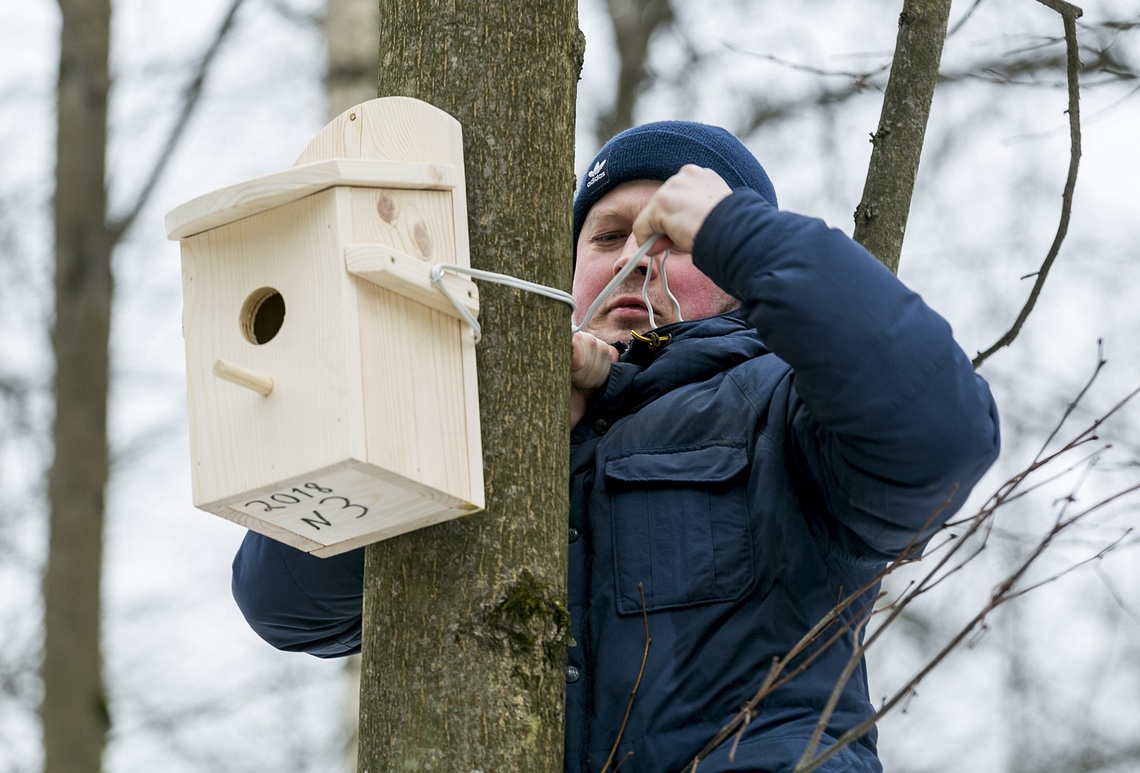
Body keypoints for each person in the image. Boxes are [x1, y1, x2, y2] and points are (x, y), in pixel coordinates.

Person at [231, 121, 1001, 772]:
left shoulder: (788, 410)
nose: (637, 257)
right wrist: (510, 434)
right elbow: (284, 602)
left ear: (740, 277)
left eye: (677, 240)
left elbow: (942, 437)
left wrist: (740, 230)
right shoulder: (471, 434)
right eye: (608, 236)